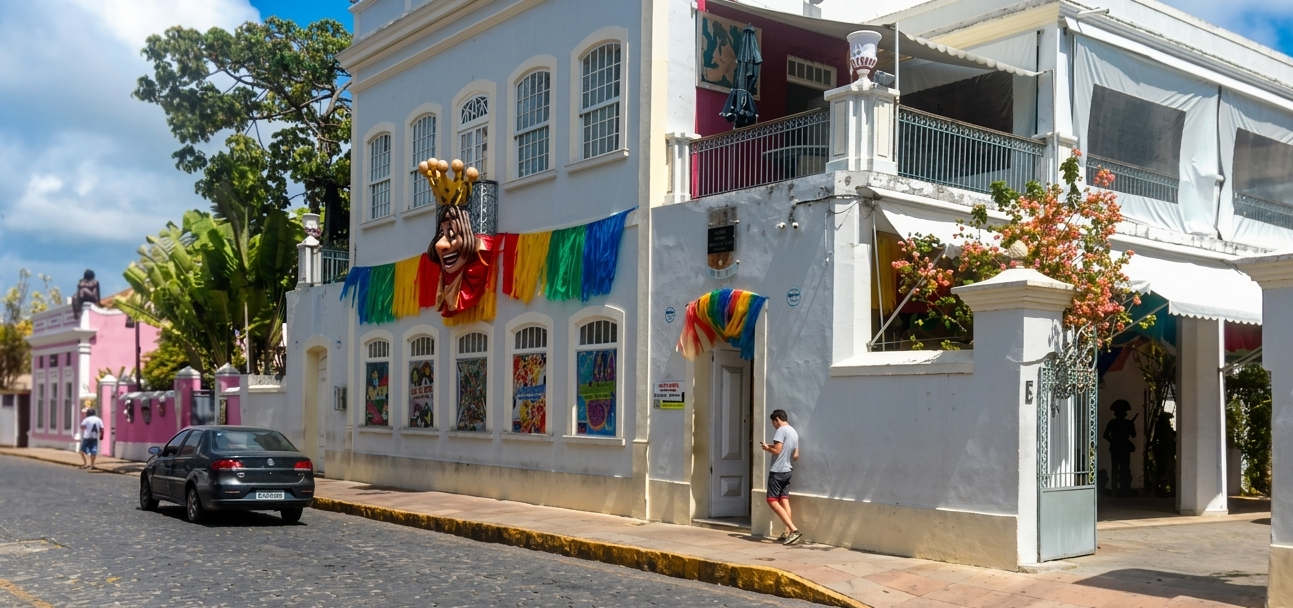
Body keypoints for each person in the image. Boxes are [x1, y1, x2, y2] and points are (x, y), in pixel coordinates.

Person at [759, 409, 801, 545]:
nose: (774, 426)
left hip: (777, 470)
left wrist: (767, 448)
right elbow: (795, 454)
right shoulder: (793, 432)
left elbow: (777, 451)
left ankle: (794, 530)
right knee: (784, 500)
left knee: (771, 500)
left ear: (777, 419)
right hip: (788, 470)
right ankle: (787, 533)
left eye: (773, 422)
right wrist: (772, 446)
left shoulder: (781, 431)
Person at [1102, 399, 1137, 497]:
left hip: (1121, 447)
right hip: (1119, 447)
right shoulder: (1114, 422)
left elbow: (1133, 435)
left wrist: (1130, 427)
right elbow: (1105, 435)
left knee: (1122, 469)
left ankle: (1123, 490)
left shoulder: (1119, 423)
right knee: (1120, 469)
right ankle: (1119, 491)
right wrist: (1114, 441)